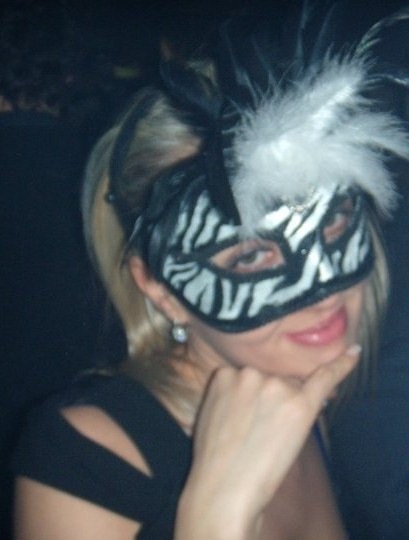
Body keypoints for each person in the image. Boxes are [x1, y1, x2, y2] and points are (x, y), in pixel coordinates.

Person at [11, 1, 409, 538]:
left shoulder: (315, 397)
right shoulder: (86, 460)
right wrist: (216, 516)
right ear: (160, 288)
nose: (322, 292)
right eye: (250, 255)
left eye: (334, 220)